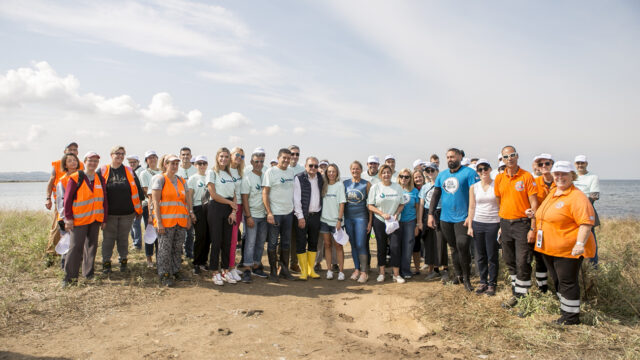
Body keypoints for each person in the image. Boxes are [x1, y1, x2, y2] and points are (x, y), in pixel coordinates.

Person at [534, 161, 596, 325]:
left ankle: (571, 318)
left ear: (572, 176)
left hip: (568, 249)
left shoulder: (577, 196)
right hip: (549, 247)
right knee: (558, 280)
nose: (560, 177)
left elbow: (586, 223)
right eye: (557, 174)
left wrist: (580, 243)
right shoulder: (554, 191)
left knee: (567, 282)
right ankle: (565, 310)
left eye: (564, 174)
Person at [428, 148, 479, 292]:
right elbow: (436, 194)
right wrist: (431, 215)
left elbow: (476, 194)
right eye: (448, 157)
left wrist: (472, 216)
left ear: (460, 157)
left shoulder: (469, 173)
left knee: (462, 246)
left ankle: (467, 279)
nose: (450, 159)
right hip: (446, 218)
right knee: (453, 248)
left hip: (463, 218)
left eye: (453, 157)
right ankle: (458, 275)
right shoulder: (442, 175)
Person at [494, 145, 538, 308]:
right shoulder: (499, 178)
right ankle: (516, 292)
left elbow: (534, 203)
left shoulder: (526, 176)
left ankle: (522, 298)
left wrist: (533, 228)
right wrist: (501, 223)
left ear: (517, 156)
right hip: (505, 224)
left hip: (522, 224)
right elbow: (500, 202)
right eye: (506, 156)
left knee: (522, 261)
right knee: (509, 259)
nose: (509, 158)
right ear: (502, 159)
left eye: (512, 155)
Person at [61, 151, 106, 287]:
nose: (93, 163)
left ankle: (88, 274)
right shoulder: (75, 178)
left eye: (95, 161)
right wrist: (68, 218)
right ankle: (70, 278)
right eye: (90, 160)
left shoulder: (100, 178)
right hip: (79, 220)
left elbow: (105, 200)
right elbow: (67, 201)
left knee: (91, 247)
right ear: (84, 162)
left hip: (95, 219)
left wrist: (103, 219)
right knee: (75, 248)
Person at [97, 146, 144, 274]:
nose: (120, 156)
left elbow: (138, 192)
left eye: (122, 154)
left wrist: (139, 210)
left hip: (127, 213)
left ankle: (123, 261)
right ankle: (106, 263)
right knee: (108, 239)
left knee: (123, 239)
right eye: (117, 153)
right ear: (111, 154)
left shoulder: (129, 171)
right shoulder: (102, 170)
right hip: (109, 214)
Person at [151, 154, 192, 287]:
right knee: (164, 249)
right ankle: (165, 274)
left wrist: (189, 216)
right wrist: (159, 222)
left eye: (176, 163)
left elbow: (186, 201)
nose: (174, 166)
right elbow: (155, 202)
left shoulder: (181, 181)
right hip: (166, 223)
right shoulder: (159, 179)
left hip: (180, 222)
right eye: (171, 163)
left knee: (177, 248)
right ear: (165, 164)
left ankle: (175, 270)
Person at [45, 142, 84, 267]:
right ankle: (51, 254)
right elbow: (51, 181)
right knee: (58, 228)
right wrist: (48, 198)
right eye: (70, 149)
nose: (72, 151)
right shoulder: (58, 164)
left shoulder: (81, 165)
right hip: (61, 202)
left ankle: (73, 257)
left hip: (78, 204)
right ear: (65, 152)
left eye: (75, 150)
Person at [368, 164, 406, 283]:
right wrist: (381, 213)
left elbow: (402, 203)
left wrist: (396, 213)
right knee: (381, 247)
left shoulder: (397, 187)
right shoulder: (375, 187)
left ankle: (396, 274)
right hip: (380, 221)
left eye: (388, 172)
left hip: (394, 222)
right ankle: (382, 273)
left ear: (391, 174)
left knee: (395, 247)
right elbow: (370, 205)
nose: (386, 175)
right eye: (384, 172)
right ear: (380, 175)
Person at [467, 159, 500, 296]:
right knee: (480, 255)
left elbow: (501, 206)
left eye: (485, 168)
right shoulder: (474, 187)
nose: (483, 172)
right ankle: (482, 281)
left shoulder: (496, 185)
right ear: (477, 172)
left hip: (493, 223)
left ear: (490, 169)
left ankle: (492, 283)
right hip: (478, 222)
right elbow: (472, 206)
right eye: (480, 169)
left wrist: (501, 225)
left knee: (492, 255)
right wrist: (470, 225)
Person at [262, 148, 296, 282]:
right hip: (275, 214)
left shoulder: (291, 172)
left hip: (288, 213)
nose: (287, 160)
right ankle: (272, 271)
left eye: (289, 158)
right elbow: (265, 193)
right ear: (278, 158)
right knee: (272, 243)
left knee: (286, 243)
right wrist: (269, 212)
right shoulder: (271, 172)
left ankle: (284, 270)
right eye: (284, 158)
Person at [206, 148, 238, 286]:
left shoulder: (229, 174)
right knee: (217, 241)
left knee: (227, 241)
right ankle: (214, 271)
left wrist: (233, 211)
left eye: (226, 156)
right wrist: (230, 203)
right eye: (221, 156)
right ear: (217, 157)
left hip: (228, 209)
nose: (224, 159)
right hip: (216, 207)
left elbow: (234, 193)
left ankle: (225, 270)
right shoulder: (212, 172)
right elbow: (213, 194)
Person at [240, 153, 269, 282]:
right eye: (256, 161)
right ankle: (247, 268)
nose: (259, 164)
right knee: (250, 243)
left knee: (260, 243)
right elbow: (244, 198)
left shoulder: (265, 176)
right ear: (251, 162)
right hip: (252, 215)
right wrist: (248, 216)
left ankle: (257, 266)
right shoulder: (247, 178)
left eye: (261, 162)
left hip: (264, 216)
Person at [293, 157, 323, 281]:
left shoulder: (320, 178)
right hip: (302, 216)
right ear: (305, 166)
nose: (313, 168)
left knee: (313, 242)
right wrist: (300, 216)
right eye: (311, 165)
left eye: (316, 166)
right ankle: (304, 271)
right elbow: (296, 199)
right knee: (300, 242)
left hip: (316, 216)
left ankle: (311, 270)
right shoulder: (299, 178)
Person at [419, 162, 448, 281]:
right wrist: (420, 221)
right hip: (427, 213)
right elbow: (421, 204)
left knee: (441, 242)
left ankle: (445, 269)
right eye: (428, 171)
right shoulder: (425, 187)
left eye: (432, 170)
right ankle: (434, 269)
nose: (430, 173)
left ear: (437, 171)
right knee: (429, 243)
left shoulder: (443, 184)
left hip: (440, 213)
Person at [344, 161, 371, 283]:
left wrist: (370, 222)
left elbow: (370, 204)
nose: (355, 171)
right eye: (353, 169)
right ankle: (356, 269)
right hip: (349, 218)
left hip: (361, 218)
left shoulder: (366, 184)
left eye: (357, 169)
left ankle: (364, 272)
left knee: (361, 244)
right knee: (353, 244)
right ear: (350, 170)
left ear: (361, 170)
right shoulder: (345, 184)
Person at [320, 164, 347, 280]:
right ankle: (329, 270)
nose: (331, 174)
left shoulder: (339, 185)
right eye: (329, 171)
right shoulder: (324, 185)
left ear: (337, 173)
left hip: (336, 222)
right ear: (326, 173)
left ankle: (341, 271)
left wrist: (339, 220)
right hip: (324, 221)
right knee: (327, 245)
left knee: (338, 246)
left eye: (333, 171)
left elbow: (342, 204)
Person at [54, 153, 81, 270]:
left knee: (77, 243)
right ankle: (65, 268)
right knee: (67, 243)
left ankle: (77, 266)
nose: (73, 162)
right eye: (69, 161)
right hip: (66, 218)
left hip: (80, 216)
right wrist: (65, 218)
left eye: (74, 160)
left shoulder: (81, 177)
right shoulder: (63, 180)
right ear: (65, 164)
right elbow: (61, 202)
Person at [574, 155, 601, 266]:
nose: (580, 165)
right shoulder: (572, 176)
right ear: (575, 164)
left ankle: (593, 266)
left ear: (586, 164)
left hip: (587, 210)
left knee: (590, 239)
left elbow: (594, 195)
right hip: (571, 210)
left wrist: (583, 207)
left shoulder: (593, 177)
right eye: (578, 163)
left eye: (582, 163)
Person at [187, 155, 209, 275]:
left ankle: (203, 262)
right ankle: (196, 263)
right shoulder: (193, 178)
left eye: (204, 163)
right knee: (200, 236)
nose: (202, 165)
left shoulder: (210, 176)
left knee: (208, 237)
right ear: (195, 165)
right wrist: (191, 212)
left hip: (209, 209)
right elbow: (189, 196)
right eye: (199, 163)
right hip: (198, 208)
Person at [140, 150, 161, 267]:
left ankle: (159, 257)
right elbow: (145, 190)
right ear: (146, 160)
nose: (152, 159)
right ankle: (149, 258)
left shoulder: (162, 172)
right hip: (148, 205)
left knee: (160, 233)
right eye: (149, 158)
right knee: (150, 232)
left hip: (161, 206)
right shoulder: (144, 173)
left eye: (154, 157)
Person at [397, 168, 420, 279]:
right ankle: (397, 270)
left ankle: (406, 270)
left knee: (408, 246)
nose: (404, 179)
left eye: (407, 177)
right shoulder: (395, 189)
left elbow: (417, 209)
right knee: (397, 246)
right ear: (399, 177)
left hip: (410, 221)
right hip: (397, 221)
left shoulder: (414, 191)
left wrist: (417, 224)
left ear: (410, 178)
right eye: (402, 176)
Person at [229, 147, 245, 281]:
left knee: (234, 239)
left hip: (239, 206)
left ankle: (232, 266)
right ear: (231, 155)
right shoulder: (225, 170)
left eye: (242, 156)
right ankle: (228, 267)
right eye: (237, 155)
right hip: (228, 206)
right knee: (230, 238)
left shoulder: (241, 172)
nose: (239, 158)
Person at [178, 147, 197, 260]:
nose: (185, 157)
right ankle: (178, 252)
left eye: (187, 154)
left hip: (193, 205)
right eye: (183, 154)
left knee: (190, 232)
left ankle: (189, 252)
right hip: (179, 206)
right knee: (179, 232)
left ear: (191, 156)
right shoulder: (176, 170)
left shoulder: (195, 170)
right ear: (180, 156)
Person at [127, 154, 144, 250]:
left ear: (138, 162)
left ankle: (137, 244)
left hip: (138, 202)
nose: (132, 164)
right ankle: (135, 242)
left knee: (136, 223)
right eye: (130, 162)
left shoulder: (140, 172)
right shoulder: (130, 171)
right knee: (131, 224)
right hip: (131, 202)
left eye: (134, 162)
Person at [411, 169, 425, 275]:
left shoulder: (428, 187)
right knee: (415, 245)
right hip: (415, 220)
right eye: (415, 177)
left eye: (420, 176)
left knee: (427, 244)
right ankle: (416, 268)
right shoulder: (412, 190)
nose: (418, 179)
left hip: (427, 218)